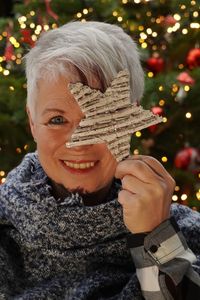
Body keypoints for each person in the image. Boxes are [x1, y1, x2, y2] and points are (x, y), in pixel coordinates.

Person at [0, 21, 200, 300]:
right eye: (57, 120)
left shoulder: (186, 231)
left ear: (130, 120)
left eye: (101, 120)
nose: (79, 142)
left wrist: (156, 235)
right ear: (33, 121)